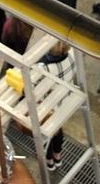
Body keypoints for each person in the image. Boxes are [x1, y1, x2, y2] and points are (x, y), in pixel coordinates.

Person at [36, 38, 76, 171]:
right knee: (58, 129)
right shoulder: (72, 58)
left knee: (46, 134)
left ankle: (49, 161)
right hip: (63, 102)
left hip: (48, 106)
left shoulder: (43, 67)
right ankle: (57, 156)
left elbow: (34, 90)